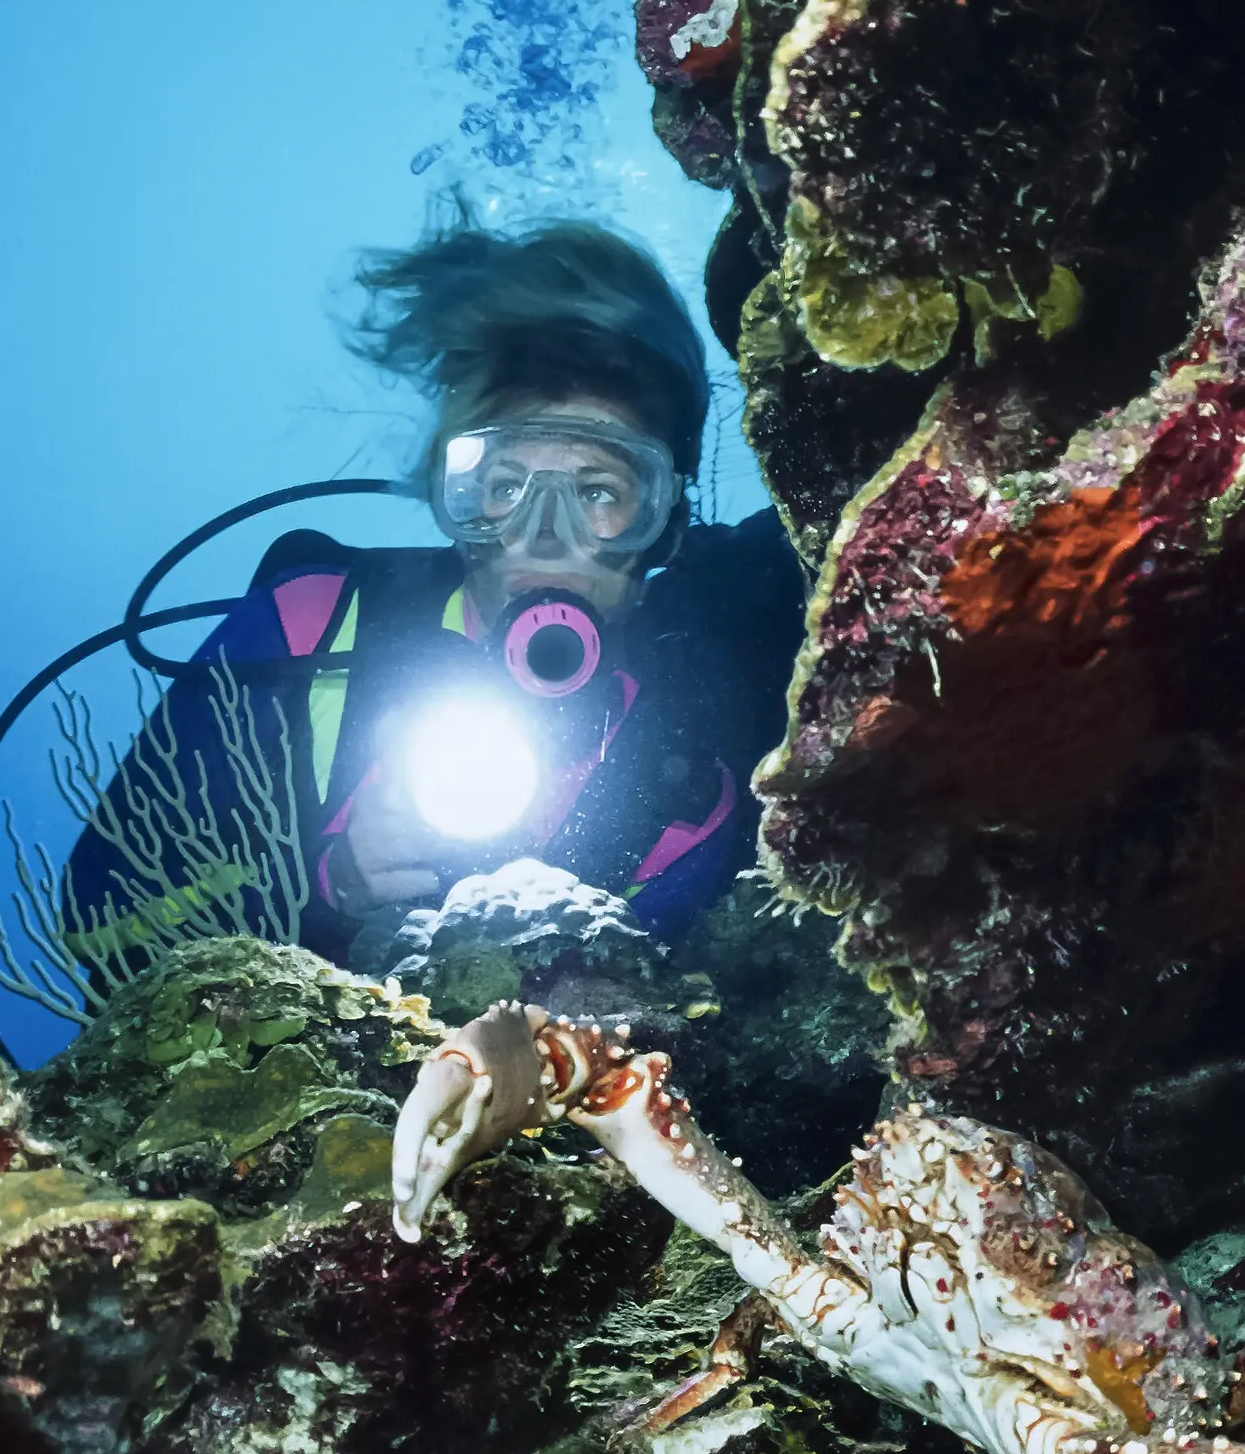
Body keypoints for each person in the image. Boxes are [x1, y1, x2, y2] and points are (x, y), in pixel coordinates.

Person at [66, 214, 802, 982]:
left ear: (665, 522)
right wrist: (323, 888)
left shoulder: (689, 787)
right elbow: (100, 926)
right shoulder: (309, 633)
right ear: (455, 497)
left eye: (598, 490)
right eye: (506, 485)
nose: (543, 538)